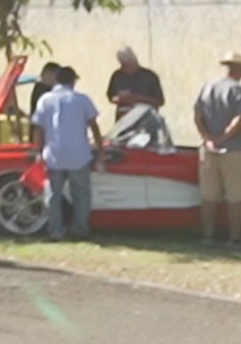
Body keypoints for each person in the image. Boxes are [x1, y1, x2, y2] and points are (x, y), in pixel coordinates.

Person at [33, 63, 104, 242]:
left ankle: (55, 231)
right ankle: (79, 230)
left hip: (54, 153)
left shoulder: (45, 99)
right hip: (78, 154)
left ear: (56, 79)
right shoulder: (82, 100)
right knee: (81, 195)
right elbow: (94, 126)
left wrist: (37, 151)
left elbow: (38, 129)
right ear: (73, 81)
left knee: (53, 195)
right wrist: (100, 151)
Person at [192, 50, 241, 245]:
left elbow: (197, 114)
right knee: (235, 196)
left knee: (209, 196)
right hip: (233, 148)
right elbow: (239, 118)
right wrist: (224, 137)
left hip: (208, 149)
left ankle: (207, 236)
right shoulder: (239, 91)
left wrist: (207, 137)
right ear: (239, 71)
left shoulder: (207, 87)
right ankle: (234, 238)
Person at [108, 46, 165, 118]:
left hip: (146, 119)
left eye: (129, 64)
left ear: (135, 61)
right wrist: (121, 99)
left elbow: (160, 101)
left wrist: (138, 98)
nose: (127, 68)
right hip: (123, 119)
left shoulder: (150, 77)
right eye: (124, 65)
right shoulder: (117, 76)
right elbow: (111, 97)